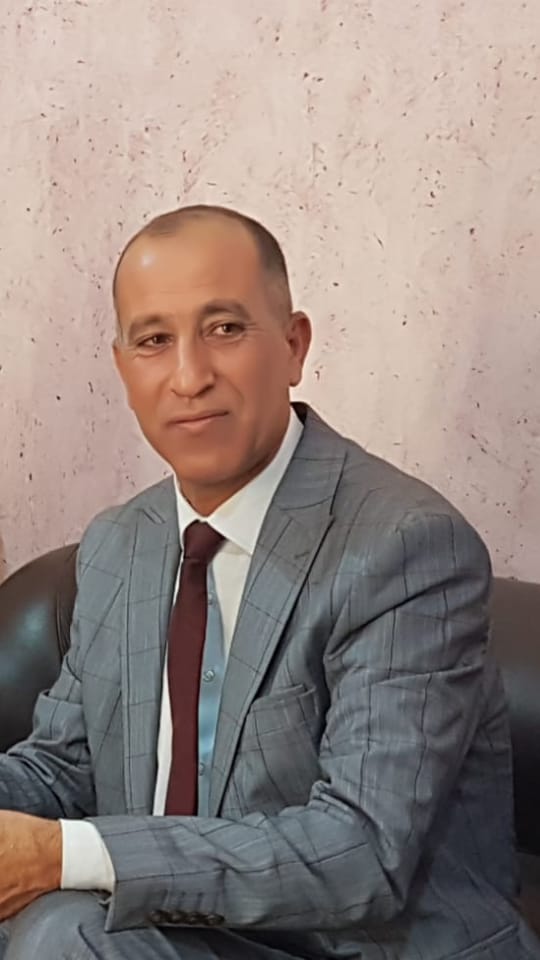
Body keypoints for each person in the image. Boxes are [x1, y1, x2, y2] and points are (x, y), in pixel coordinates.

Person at [0, 205, 538, 960]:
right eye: (154, 341)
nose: (189, 377)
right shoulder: (118, 543)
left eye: (224, 329)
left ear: (293, 346)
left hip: (361, 944)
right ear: (124, 369)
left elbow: (360, 851)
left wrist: (64, 856)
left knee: (64, 931)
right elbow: (62, 767)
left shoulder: (406, 547)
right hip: (175, 934)